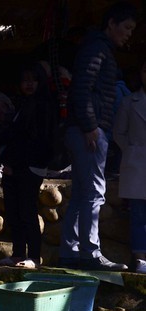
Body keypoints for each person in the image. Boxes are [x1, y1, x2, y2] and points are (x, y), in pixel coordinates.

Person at [58, 2, 137, 271]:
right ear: (112, 23)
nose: (129, 34)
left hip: (81, 129)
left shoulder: (97, 47)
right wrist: (91, 125)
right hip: (89, 130)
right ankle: (90, 253)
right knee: (93, 192)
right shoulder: (97, 48)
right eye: (126, 27)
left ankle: (71, 251)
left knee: (82, 191)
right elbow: (81, 87)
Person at [0, 64, 57, 269]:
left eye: (33, 79)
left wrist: (18, 164)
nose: (29, 84)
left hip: (30, 167)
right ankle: (17, 254)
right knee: (14, 212)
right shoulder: (22, 105)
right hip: (15, 167)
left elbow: (37, 141)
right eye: (25, 80)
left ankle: (33, 256)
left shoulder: (44, 106)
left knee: (27, 212)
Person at [113, 57, 146, 273]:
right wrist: (133, 151)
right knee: (138, 213)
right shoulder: (129, 101)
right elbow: (118, 133)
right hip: (137, 164)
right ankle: (140, 258)